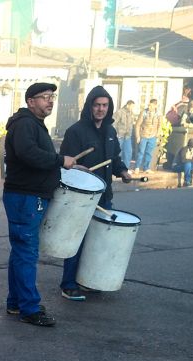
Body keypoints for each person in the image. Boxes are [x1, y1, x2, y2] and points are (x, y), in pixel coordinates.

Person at [3, 82, 81, 327]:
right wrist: (60, 160)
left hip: (27, 196)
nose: (50, 101)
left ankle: (17, 302)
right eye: (44, 97)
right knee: (26, 251)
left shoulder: (31, 124)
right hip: (26, 197)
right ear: (30, 101)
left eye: (52, 97)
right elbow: (28, 154)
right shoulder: (26, 124)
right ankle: (29, 307)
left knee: (21, 251)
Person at [59, 86, 132, 301]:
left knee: (98, 240)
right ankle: (69, 284)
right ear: (90, 106)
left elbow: (115, 159)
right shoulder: (76, 131)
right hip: (81, 196)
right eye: (97, 105)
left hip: (104, 195)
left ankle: (86, 280)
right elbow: (66, 162)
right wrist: (75, 167)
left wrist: (123, 171)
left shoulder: (110, 131)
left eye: (105, 105)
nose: (101, 109)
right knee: (77, 240)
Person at [134, 98, 162, 174]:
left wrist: (157, 136)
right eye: (149, 105)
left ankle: (146, 168)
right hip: (143, 135)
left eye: (151, 106)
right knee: (141, 152)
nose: (149, 107)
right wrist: (138, 136)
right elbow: (137, 125)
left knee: (149, 153)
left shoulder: (158, 114)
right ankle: (137, 167)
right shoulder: (144, 112)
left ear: (155, 106)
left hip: (153, 136)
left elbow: (159, 125)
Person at [112, 100, 136, 171]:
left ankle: (125, 169)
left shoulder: (132, 113)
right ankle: (116, 169)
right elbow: (113, 123)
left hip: (128, 136)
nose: (132, 108)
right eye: (132, 106)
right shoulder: (119, 112)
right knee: (118, 152)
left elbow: (131, 124)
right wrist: (115, 134)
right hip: (119, 136)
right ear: (128, 105)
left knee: (128, 152)